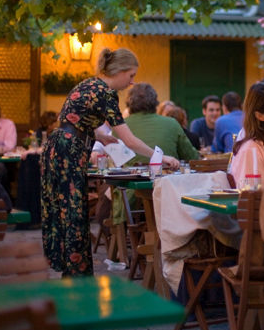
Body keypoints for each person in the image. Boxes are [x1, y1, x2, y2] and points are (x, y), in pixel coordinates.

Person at [41, 48, 178, 277]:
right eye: (131, 75)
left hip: (58, 146)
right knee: (74, 211)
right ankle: (77, 277)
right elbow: (129, 140)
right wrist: (161, 157)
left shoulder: (89, 84)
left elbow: (70, 117)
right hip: (69, 151)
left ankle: (68, 268)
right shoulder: (106, 92)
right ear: (119, 71)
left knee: (62, 209)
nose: (132, 82)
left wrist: (97, 135)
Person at [119, 83, 199, 165]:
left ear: (129, 103)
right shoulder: (172, 123)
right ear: (155, 101)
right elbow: (191, 156)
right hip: (165, 175)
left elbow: (115, 160)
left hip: (130, 176)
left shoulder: (119, 126)